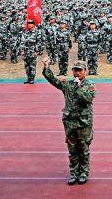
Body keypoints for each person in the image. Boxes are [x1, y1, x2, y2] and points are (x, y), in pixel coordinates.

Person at [42, 57, 96, 185]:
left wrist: (79, 86)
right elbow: (54, 81)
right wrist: (46, 67)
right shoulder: (68, 84)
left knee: (83, 149)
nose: (77, 73)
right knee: (72, 150)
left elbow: (88, 99)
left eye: (80, 70)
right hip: (70, 122)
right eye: (75, 70)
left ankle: (83, 173)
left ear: (85, 71)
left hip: (83, 123)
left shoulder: (90, 85)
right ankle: (73, 173)